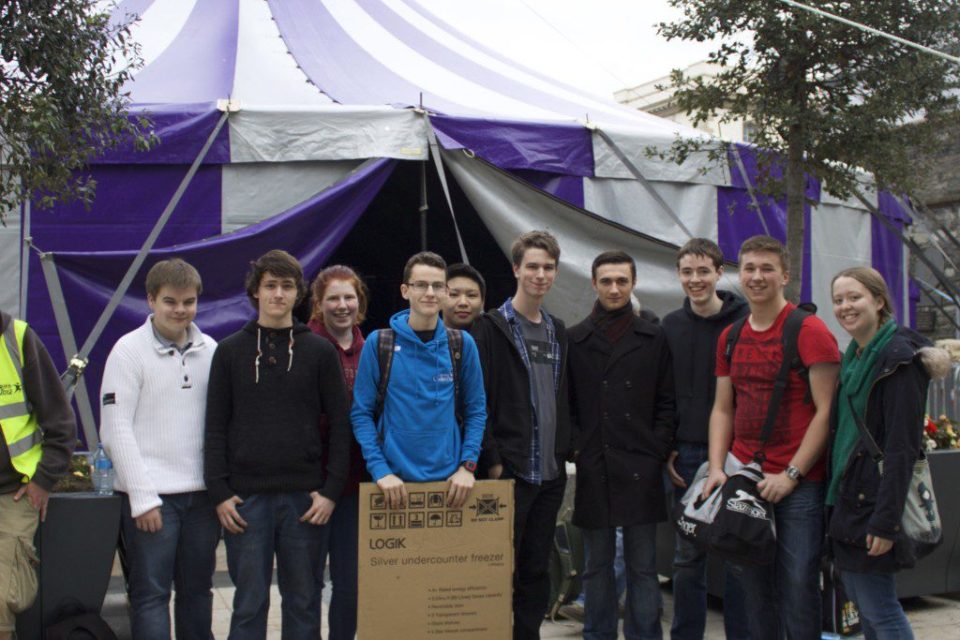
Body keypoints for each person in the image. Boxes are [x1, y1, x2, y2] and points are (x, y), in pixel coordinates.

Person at [204, 249, 351, 639]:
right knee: (249, 603)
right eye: (270, 286)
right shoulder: (229, 351)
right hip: (245, 501)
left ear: (298, 294)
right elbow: (215, 426)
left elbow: (340, 425)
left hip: (305, 500)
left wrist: (330, 491)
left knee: (303, 601)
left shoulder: (319, 352)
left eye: (287, 286)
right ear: (255, 292)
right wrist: (218, 491)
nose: (278, 294)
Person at [702, 235, 840, 640]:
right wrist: (715, 468)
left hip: (799, 484)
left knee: (798, 586)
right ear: (737, 274)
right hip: (745, 479)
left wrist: (792, 474)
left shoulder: (810, 330)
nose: (756, 276)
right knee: (754, 589)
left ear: (785, 275)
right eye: (749, 268)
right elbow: (723, 408)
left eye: (766, 269)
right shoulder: (730, 337)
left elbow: (826, 411)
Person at [100, 258, 220, 640]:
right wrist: (142, 496)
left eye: (188, 302)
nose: (180, 310)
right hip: (152, 503)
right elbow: (115, 428)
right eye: (170, 301)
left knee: (198, 593)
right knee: (151, 596)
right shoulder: (127, 352)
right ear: (150, 300)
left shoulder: (212, 350)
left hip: (202, 498)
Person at [828, 267, 949, 639]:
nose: (845, 306)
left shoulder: (898, 360)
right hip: (849, 496)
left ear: (879, 301)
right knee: (866, 609)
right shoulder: (855, 355)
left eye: (855, 297)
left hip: (873, 503)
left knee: (879, 609)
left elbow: (902, 450)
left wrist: (885, 522)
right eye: (838, 300)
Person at [568, 250, 676, 640]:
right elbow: (570, 405)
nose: (614, 289)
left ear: (633, 285)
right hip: (596, 465)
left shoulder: (654, 337)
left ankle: (644, 635)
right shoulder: (576, 339)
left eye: (622, 281)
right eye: (607, 281)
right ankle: (597, 634)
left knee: (643, 566)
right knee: (597, 564)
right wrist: (577, 448)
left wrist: (656, 450)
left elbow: (667, 400)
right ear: (594, 284)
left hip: (641, 467)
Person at [471, 230, 573, 640]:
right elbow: (477, 401)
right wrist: (493, 457)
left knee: (535, 569)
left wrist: (567, 446)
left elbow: (564, 397)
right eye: (532, 266)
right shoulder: (490, 328)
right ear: (516, 269)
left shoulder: (557, 330)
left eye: (548, 267)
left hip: (549, 475)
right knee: (498, 567)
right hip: (508, 472)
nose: (540, 274)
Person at [661, 238, 749, 640]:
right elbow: (663, 393)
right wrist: (668, 447)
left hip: (737, 454)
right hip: (686, 451)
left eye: (702, 271)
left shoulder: (744, 322)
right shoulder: (671, 326)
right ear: (679, 276)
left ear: (718, 272)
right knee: (686, 557)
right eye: (687, 272)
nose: (695, 280)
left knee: (736, 556)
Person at [351, 251, 486, 509]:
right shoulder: (380, 344)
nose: (430, 293)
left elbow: (476, 411)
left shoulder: (461, 344)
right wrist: (380, 470)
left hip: (452, 485)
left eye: (437, 286)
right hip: (391, 485)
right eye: (421, 285)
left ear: (446, 292)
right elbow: (361, 414)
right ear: (405, 290)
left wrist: (468, 467)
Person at [0, 310, 76, 640]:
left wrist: (43, 480)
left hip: (11, 494)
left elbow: (60, 422)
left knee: (3, 600)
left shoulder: (16, 337)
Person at [307, 264, 369, 640]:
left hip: (356, 487)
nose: (342, 305)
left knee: (351, 584)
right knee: (307, 584)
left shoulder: (375, 349)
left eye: (349, 297)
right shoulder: (304, 345)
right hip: (312, 488)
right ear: (318, 303)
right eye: (333, 298)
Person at [442, 262, 486, 331]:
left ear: (482, 302)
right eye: (453, 294)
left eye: (471, 295)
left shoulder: (496, 336)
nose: (463, 303)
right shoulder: (422, 339)